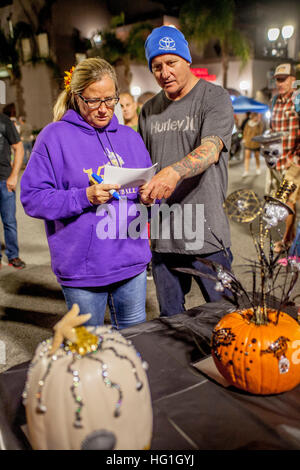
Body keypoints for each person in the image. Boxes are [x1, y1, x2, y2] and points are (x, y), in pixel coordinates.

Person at [21, 58, 155, 328]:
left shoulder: (130, 137)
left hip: (131, 262)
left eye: (110, 99)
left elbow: (147, 190)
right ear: (76, 96)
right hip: (83, 269)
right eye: (94, 101)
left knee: (135, 343)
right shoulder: (54, 136)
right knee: (88, 351)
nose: (104, 109)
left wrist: (151, 197)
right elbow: (32, 198)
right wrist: (85, 197)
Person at [138, 26, 234, 317]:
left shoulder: (214, 98)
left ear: (187, 60)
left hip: (207, 235)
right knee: (170, 323)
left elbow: (211, 149)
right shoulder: (148, 110)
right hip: (165, 238)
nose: (164, 72)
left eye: (171, 62)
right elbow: (145, 166)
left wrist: (173, 172)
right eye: (156, 66)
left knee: (227, 320)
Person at [268, 63, 300, 253]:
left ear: (293, 80)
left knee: (287, 200)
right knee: (288, 200)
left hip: (294, 161)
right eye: (277, 80)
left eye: (283, 79)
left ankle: (285, 241)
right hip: (279, 161)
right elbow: (273, 130)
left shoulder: (298, 100)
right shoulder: (274, 101)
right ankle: (291, 238)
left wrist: (296, 157)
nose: (280, 83)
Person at [0, 112, 26, 269]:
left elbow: (19, 148)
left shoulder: (3, 121)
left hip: (4, 179)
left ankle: (13, 256)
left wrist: (14, 176)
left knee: (9, 221)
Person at [242, 112, 263, 177]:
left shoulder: (259, 124)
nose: (256, 118)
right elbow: (245, 131)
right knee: (247, 157)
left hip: (256, 143)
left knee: (257, 156)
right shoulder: (248, 123)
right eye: (255, 117)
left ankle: (258, 168)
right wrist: (244, 138)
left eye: (256, 117)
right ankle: (246, 171)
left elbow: (260, 132)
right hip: (248, 143)